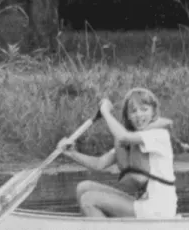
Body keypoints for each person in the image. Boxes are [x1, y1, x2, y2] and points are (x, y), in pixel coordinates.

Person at [58, 88, 178, 218]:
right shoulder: (129, 140)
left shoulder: (158, 134)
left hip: (157, 208)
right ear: (128, 117)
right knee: (83, 187)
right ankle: (102, 228)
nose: (139, 115)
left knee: (88, 199)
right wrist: (72, 153)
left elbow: (123, 137)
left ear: (153, 111)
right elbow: (99, 163)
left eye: (144, 109)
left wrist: (105, 112)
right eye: (133, 111)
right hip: (143, 204)